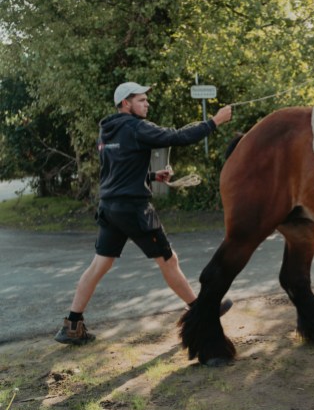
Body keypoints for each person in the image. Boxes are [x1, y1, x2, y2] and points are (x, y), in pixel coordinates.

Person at [55, 81, 234, 345]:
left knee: (99, 265)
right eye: (140, 99)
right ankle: (201, 311)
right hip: (134, 210)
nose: (146, 103)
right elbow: (177, 137)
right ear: (126, 104)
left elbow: (116, 171)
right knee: (168, 260)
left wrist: (150, 176)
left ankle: (72, 325)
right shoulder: (137, 127)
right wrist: (214, 122)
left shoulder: (106, 131)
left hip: (109, 208)